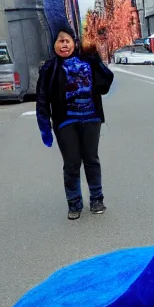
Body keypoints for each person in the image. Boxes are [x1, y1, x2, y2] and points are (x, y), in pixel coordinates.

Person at [36, 23, 114, 220]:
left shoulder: (87, 61)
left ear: (74, 43)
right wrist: (44, 125)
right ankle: (74, 202)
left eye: (67, 41)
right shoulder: (50, 68)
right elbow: (42, 98)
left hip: (91, 118)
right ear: (54, 45)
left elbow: (105, 85)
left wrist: (96, 60)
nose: (64, 45)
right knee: (71, 163)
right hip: (65, 122)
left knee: (91, 159)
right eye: (60, 41)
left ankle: (97, 199)